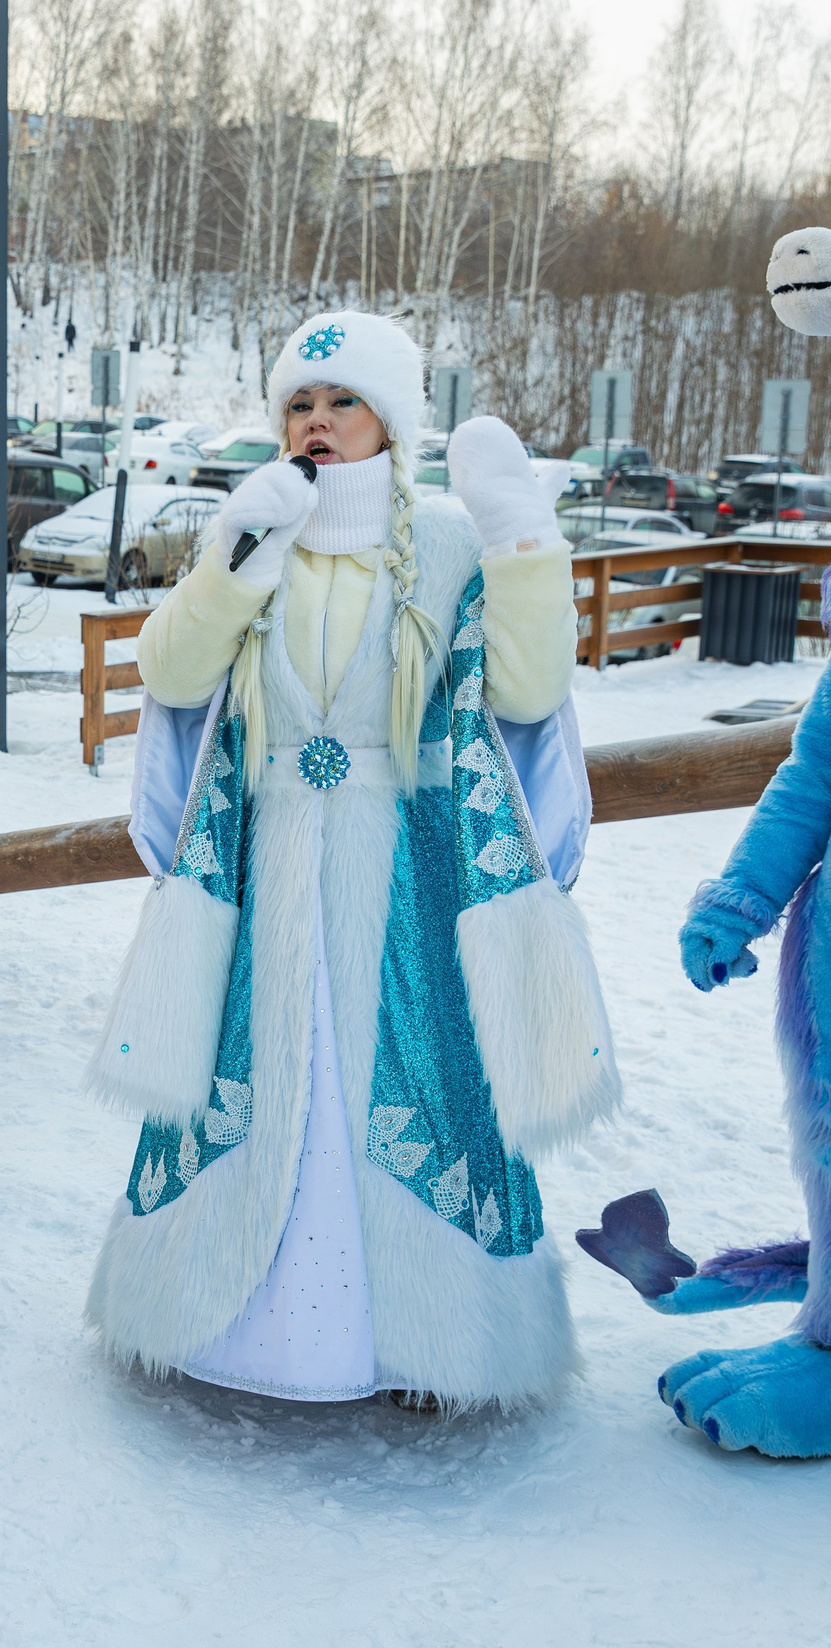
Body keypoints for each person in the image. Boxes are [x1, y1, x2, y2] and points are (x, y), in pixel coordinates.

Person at [83, 310, 616, 1410]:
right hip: (267, 856)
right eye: (298, 405)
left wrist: (522, 543)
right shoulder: (254, 530)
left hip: (407, 869)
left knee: (409, 1074)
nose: (317, 424)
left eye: (342, 403)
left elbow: (523, 695)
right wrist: (234, 557)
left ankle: (431, 1343)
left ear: (392, 420)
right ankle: (237, 1326)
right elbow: (174, 677)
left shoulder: (454, 547)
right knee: (264, 1066)